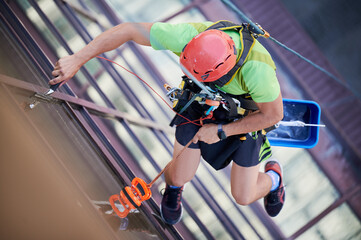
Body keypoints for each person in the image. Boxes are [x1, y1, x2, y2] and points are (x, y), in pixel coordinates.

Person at [50, 21, 285, 225]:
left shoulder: (257, 71)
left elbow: (273, 116)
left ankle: (274, 179)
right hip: (201, 98)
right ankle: (173, 188)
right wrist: (78, 58)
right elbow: (129, 30)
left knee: (243, 196)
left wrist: (223, 130)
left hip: (244, 115)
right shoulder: (188, 36)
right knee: (178, 176)